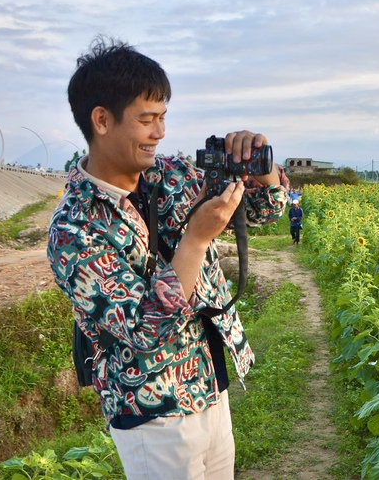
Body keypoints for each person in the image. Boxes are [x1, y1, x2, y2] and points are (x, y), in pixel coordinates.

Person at [47, 37, 288, 480]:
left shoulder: (172, 175)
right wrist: (195, 241)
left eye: (163, 118)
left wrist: (261, 167)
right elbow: (142, 329)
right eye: (147, 119)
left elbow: (264, 210)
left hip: (211, 385)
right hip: (153, 412)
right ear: (101, 120)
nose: (159, 132)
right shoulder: (74, 228)